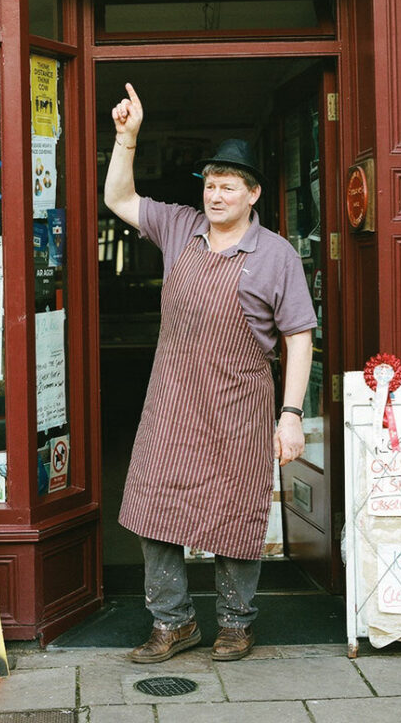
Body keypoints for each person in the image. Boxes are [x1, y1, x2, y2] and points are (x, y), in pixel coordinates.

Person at [104, 83, 315, 663]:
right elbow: (119, 198)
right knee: (152, 505)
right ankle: (173, 623)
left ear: (252, 194)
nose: (215, 194)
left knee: (237, 514)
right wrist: (126, 139)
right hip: (172, 400)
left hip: (241, 407)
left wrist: (291, 414)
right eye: (210, 184)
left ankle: (234, 623)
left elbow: (299, 336)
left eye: (228, 186)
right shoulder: (178, 226)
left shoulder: (277, 255)